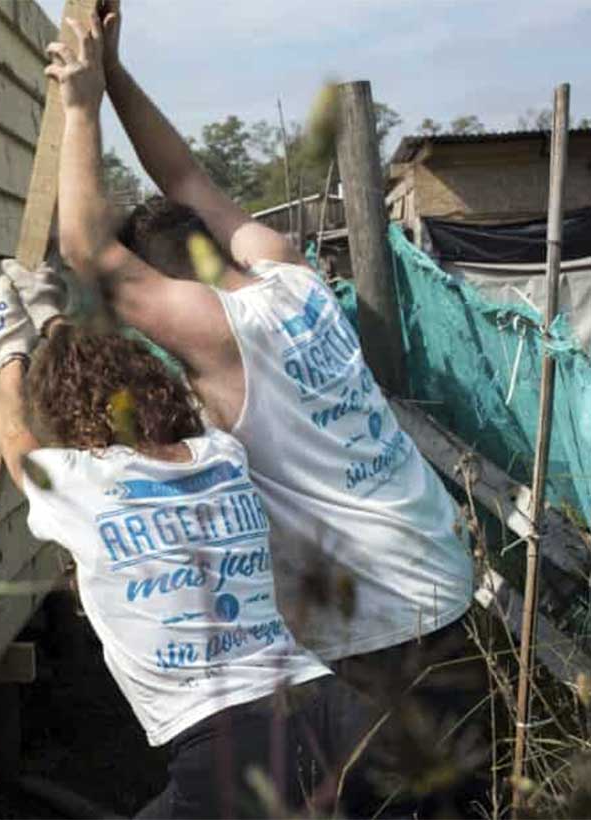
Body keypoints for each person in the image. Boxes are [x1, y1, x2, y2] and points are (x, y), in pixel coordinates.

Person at [41, 3, 482, 811]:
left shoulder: (222, 331)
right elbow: (187, 182)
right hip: (443, 590)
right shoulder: (290, 275)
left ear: (179, 285)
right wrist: (116, 75)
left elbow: (85, 253)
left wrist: (79, 107)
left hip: (375, 641)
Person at [0, 267, 378, 818]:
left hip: (229, 747)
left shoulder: (78, 482)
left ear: (67, 412)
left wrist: (8, 353)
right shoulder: (221, 454)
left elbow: (11, 437)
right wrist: (53, 320)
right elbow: (104, 375)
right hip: (332, 712)